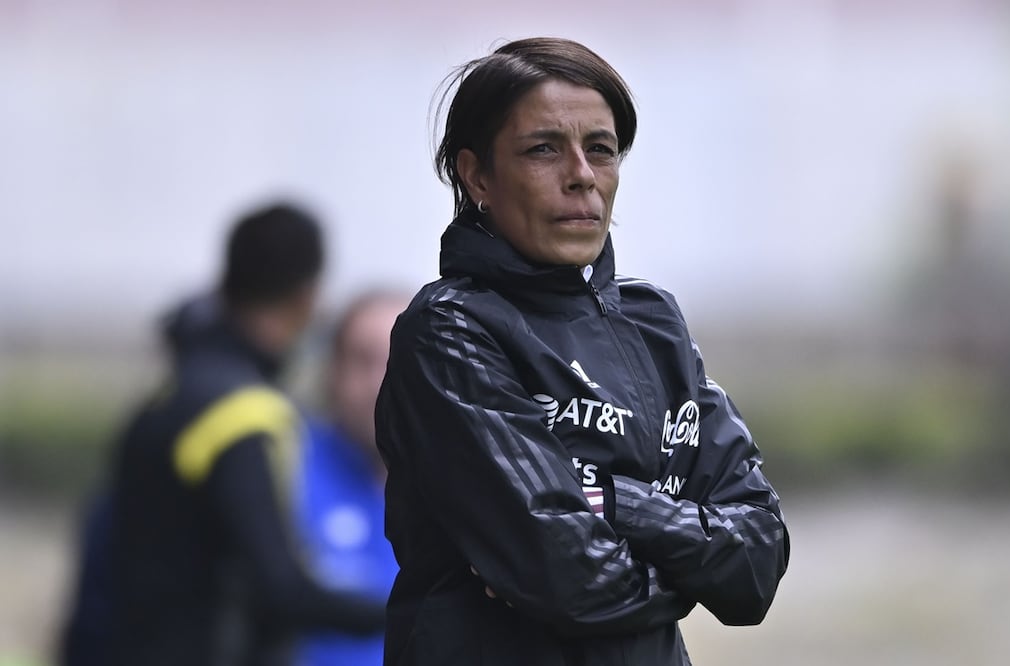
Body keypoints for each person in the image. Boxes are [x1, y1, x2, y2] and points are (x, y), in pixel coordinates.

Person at [375, 38, 790, 665]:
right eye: (544, 149)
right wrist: (691, 568)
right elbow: (571, 581)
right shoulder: (450, 330)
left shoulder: (656, 323)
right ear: (476, 174)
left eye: (600, 149)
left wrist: (614, 501)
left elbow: (756, 561)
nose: (581, 175)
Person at [95, 203, 384, 666]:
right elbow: (281, 589)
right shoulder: (244, 415)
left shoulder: (171, 394)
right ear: (307, 299)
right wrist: (409, 612)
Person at [292, 290, 409, 666]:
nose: (379, 381)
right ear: (332, 371)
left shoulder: (467, 488)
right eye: (363, 360)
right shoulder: (283, 466)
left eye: (397, 360)